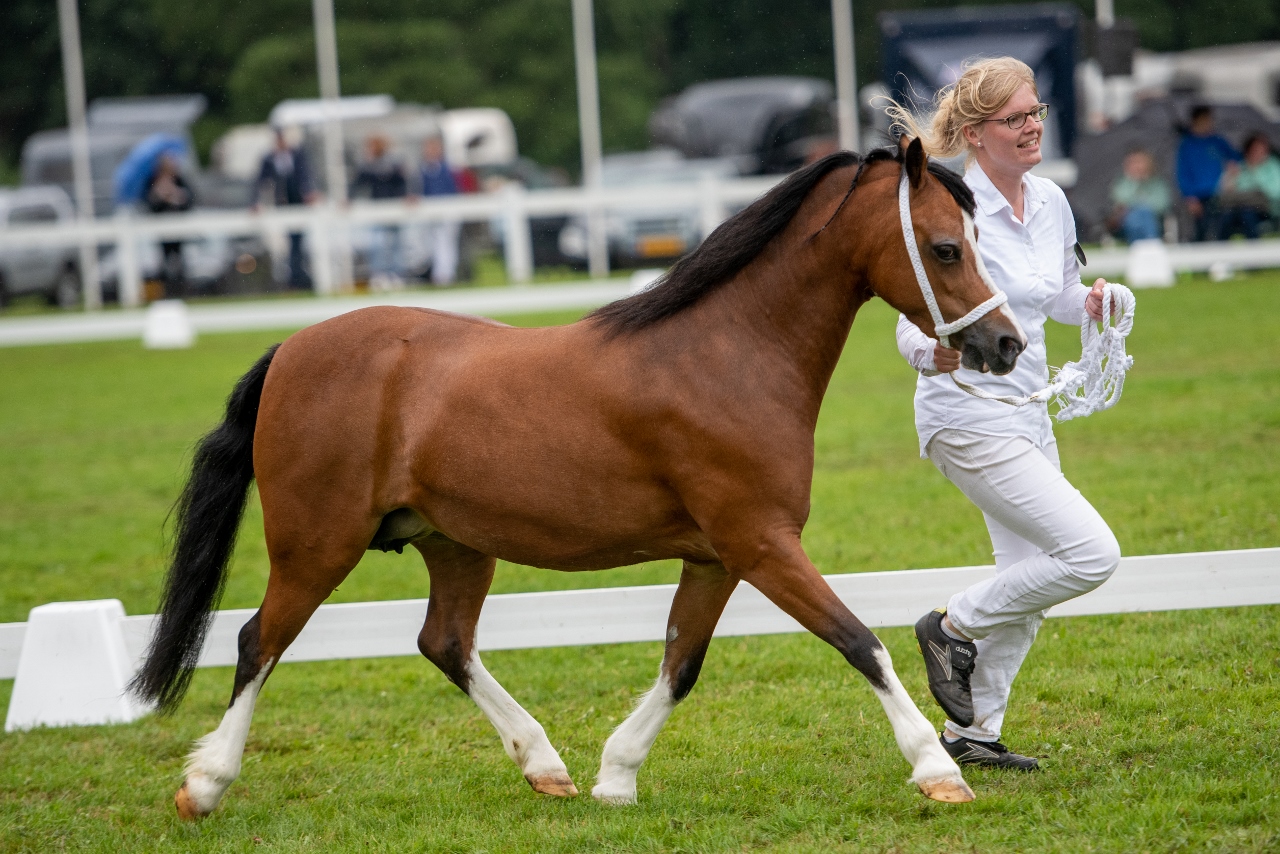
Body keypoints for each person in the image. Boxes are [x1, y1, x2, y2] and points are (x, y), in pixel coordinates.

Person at [886, 57, 1122, 771]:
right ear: (977, 133)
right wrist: (934, 353)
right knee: (1088, 554)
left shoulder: (1050, 200)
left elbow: (1055, 294)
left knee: (1032, 580)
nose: (1032, 127)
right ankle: (949, 625)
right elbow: (909, 323)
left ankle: (974, 734)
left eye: (1037, 112)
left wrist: (1093, 305)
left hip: (1028, 412)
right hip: (965, 417)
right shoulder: (953, 207)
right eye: (1015, 118)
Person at [255, 128, 317, 289]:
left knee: (298, 240)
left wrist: (309, 192)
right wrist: (255, 202)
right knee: (289, 242)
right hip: (282, 204)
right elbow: (260, 182)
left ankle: (297, 275)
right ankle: (295, 276)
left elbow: (305, 176)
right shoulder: (270, 159)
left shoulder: (297, 155)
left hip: (298, 203)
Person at [1176, 105, 1239, 242]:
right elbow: (1183, 173)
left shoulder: (1217, 141)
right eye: (1205, 119)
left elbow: (1235, 156)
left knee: (1221, 227)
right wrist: (1190, 197)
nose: (1209, 122)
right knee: (1201, 230)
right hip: (1199, 196)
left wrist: (1233, 165)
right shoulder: (1187, 145)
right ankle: (1199, 260)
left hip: (1219, 193)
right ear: (1196, 120)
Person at [352, 135, 409, 287]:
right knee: (377, 243)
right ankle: (379, 274)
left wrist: (406, 196)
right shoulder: (367, 166)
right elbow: (357, 183)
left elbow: (401, 183)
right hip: (376, 209)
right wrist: (350, 199)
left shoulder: (392, 164)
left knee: (395, 243)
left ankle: (396, 274)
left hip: (394, 207)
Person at [145, 152, 194, 298]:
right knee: (163, 262)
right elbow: (150, 205)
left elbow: (190, 200)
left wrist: (176, 195)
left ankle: (183, 292)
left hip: (179, 228)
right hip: (161, 230)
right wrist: (160, 196)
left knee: (180, 261)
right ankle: (165, 293)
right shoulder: (153, 181)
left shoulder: (179, 180)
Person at [1218, 133, 1280, 239]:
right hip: (1237, 209)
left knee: (1248, 215)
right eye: (1256, 149)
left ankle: (1254, 251)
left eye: (1263, 149)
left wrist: (1255, 174)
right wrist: (1229, 177)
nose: (1260, 153)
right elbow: (1223, 193)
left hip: (1266, 209)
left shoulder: (1272, 166)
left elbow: (1276, 191)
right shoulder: (1240, 167)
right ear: (1249, 150)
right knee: (1226, 218)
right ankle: (1222, 251)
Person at [418, 135, 461, 285]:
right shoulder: (423, 169)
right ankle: (437, 273)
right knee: (432, 242)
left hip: (447, 208)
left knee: (446, 241)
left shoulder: (447, 168)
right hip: (430, 209)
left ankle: (446, 274)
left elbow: (452, 189)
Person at [1108, 149, 1170, 242]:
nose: (1137, 166)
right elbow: (1121, 200)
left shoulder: (1158, 183)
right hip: (1126, 223)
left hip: (1154, 220)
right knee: (1136, 216)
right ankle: (1151, 244)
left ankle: (1140, 245)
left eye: (1140, 162)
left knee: (1143, 212)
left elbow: (1161, 205)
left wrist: (1139, 204)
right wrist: (1136, 183)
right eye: (1133, 162)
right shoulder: (1122, 183)